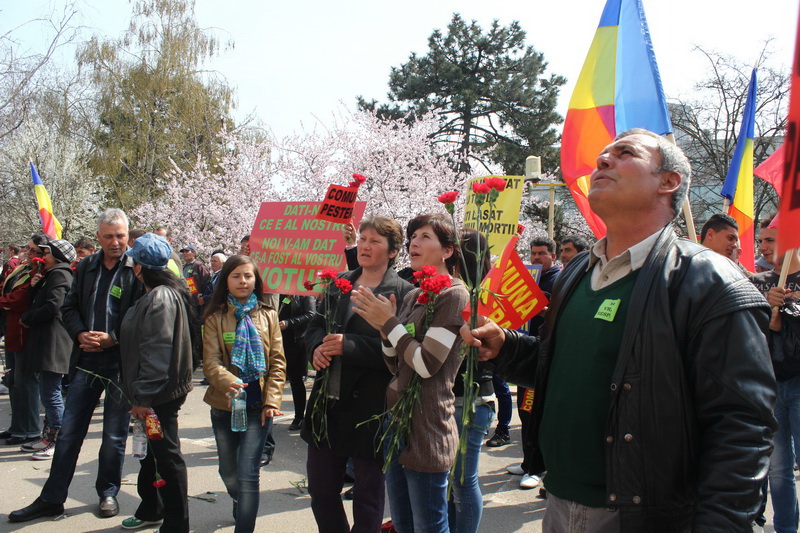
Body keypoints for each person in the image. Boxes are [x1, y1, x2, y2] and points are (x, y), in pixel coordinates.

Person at [461, 129, 776, 531]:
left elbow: (742, 425)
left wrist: (720, 524)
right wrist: (506, 346)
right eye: (602, 155)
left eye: (624, 153)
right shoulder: (577, 272)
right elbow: (560, 366)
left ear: (668, 182)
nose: (602, 161)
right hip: (557, 503)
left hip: (644, 515)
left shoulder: (708, 281)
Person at [9, 208, 144, 523]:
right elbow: (68, 307)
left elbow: (141, 314)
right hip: (85, 361)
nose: (115, 242)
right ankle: (52, 498)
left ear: (128, 235)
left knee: (113, 436)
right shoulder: (85, 268)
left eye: (121, 236)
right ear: (98, 237)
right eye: (109, 236)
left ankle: (107, 492)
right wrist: (80, 333)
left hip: (119, 366)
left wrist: (112, 338)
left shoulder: (136, 270)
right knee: (68, 433)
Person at [352, 213, 470, 533]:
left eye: (425, 237)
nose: (414, 243)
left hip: (427, 427)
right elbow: (395, 364)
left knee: (428, 525)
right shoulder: (413, 295)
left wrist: (389, 324)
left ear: (448, 251)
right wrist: (383, 329)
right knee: (403, 524)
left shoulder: (454, 295)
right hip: (396, 422)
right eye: (413, 236)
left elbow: (426, 365)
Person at [302, 216, 412, 533]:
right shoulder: (340, 283)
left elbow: (403, 353)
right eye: (363, 238)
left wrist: (349, 345)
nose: (365, 246)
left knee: (368, 498)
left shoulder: (404, 293)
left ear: (392, 251)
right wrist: (315, 349)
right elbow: (316, 327)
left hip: (372, 410)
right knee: (321, 492)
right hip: (328, 404)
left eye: (375, 241)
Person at [203, 254, 285, 533]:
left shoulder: (269, 315)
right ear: (226, 280)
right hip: (225, 404)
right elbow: (211, 362)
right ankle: (237, 498)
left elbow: (277, 362)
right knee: (228, 471)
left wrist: (272, 401)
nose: (243, 281)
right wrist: (230, 382)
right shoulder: (215, 318)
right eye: (236, 275)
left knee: (249, 473)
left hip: (257, 406)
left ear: (256, 280)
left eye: (248, 275)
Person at [119, 233, 196, 532]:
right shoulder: (158, 294)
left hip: (158, 395)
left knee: (167, 458)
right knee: (155, 457)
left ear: (138, 267)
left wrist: (142, 398)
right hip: (156, 391)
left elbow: (157, 352)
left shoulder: (160, 297)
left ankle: (177, 525)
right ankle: (155, 508)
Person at [750, 214, 800, 533]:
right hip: (769, 387)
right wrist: (770, 318)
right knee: (778, 470)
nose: (762, 246)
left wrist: (790, 311)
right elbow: (749, 335)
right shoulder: (758, 282)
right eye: (760, 240)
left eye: (769, 239)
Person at [449, 229, 494, 533]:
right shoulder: (479, 290)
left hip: (471, 398)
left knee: (463, 480)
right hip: (464, 397)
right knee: (453, 482)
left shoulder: (474, 296)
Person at [18, 239, 76, 460]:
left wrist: (28, 318)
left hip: (54, 341)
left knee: (51, 393)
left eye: (47, 253)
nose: (43, 257)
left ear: (58, 256)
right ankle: (48, 435)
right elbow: (37, 302)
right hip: (45, 340)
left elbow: (53, 306)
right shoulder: (50, 275)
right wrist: (34, 286)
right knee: (47, 391)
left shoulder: (60, 274)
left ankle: (59, 440)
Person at [0, 233, 50, 445]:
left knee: (26, 382)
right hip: (12, 330)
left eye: (33, 251)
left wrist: (3, 300)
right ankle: (18, 426)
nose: (27, 253)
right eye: (27, 249)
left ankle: (29, 429)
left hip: (24, 333)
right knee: (14, 381)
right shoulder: (24, 269)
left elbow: (19, 299)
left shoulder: (40, 272)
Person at [278, 293, 315, 431]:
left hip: (295, 340)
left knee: (295, 379)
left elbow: (311, 314)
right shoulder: (276, 293)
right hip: (276, 339)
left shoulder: (303, 294)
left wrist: (289, 323)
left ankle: (299, 416)